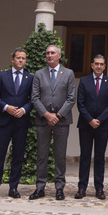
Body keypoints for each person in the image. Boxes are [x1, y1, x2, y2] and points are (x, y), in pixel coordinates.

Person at [29, 44, 75, 201]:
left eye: (52, 53)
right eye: (47, 53)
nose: (49, 55)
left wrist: (59, 115)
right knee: (42, 155)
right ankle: (40, 187)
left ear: (59, 56)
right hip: (43, 120)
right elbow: (34, 97)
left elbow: (71, 98)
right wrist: (47, 115)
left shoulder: (68, 73)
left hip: (62, 121)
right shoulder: (39, 74)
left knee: (60, 155)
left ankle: (59, 187)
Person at [0, 48, 33, 199]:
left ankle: (13, 187)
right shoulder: (2, 75)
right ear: (12, 60)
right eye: (18, 58)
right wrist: (6, 107)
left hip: (21, 122)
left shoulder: (30, 78)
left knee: (18, 156)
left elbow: (32, 99)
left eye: (23, 58)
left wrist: (24, 110)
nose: (20, 60)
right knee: (0, 154)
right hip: (4, 121)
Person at [76, 54, 108, 199]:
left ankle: (99, 188)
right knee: (85, 156)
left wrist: (99, 120)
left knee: (100, 158)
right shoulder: (84, 81)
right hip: (86, 125)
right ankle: (82, 187)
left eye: (101, 64)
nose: (98, 66)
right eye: (96, 64)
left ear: (105, 66)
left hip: (103, 125)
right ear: (92, 65)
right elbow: (80, 103)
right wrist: (90, 120)